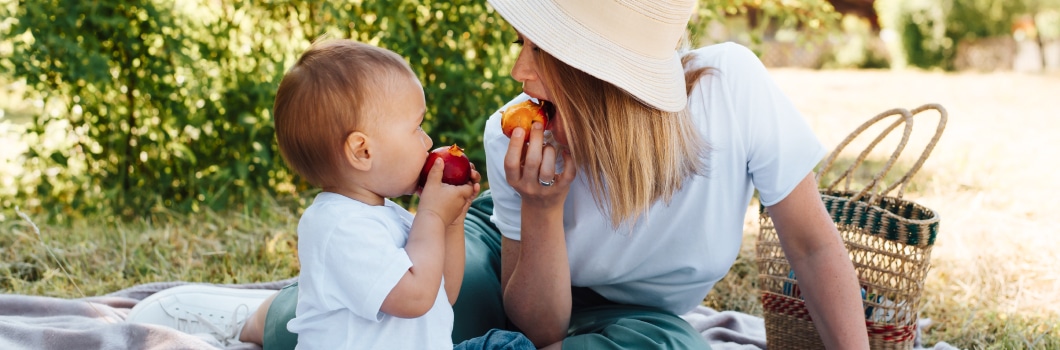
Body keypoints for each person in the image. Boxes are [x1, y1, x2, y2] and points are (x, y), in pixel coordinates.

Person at [132, 0, 873, 349]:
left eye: (537, 48)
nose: (517, 69)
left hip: (639, 312)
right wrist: (540, 208)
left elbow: (811, 245)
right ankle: (260, 317)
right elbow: (540, 323)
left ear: (601, 70)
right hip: (516, 268)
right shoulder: (508, 129)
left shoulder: (731, 90)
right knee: (398, 310)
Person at [127, 39, 533, 350]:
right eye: (416, 127)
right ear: (362, 150)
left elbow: (443, 292)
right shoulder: (337, 227)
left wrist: (452, 221)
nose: (428, 140)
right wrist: (431, 216)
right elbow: (415, 298)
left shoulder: (388, 214)